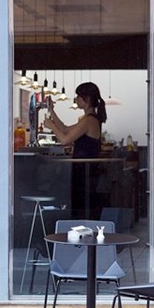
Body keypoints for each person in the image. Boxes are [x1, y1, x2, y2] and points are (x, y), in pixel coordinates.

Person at [43, 81, 107, 218]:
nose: (76, 99)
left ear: (87, 99)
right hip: (84, 171)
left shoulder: (89, 120)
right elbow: (65, 129)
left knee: (82, 209)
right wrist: (52, 111)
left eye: (78, 96)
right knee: (81, 208)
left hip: (86, 172)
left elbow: (65, 139)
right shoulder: (89, 119)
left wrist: (51, 126)